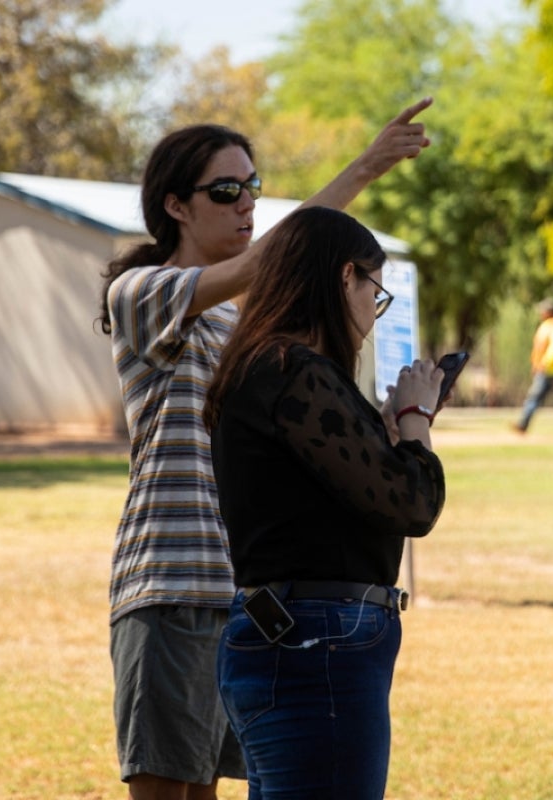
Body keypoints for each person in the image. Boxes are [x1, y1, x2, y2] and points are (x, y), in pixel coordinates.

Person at [97, 99, 432, 800]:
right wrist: (366, 166)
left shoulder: (248, 320)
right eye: (226, 190)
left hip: (254, 597)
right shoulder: (140, 293)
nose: (247, 202)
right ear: (175, 206)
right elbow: (281, 256)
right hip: (172, 583)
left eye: (253, 185)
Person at [202, 206, 447, 799]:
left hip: (284, 633)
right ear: (345, 278)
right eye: (374, 291)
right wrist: (415, 423)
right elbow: (414, 504)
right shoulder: (295, 371)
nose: (371, 313)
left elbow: (319, 494)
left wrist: (379, 434)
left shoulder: (261, 366)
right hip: (320, 643)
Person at [514, 297, 553, 436]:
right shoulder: (546, 325)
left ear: (550, 311)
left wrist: (545, 362)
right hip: (544, 370)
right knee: (534, 396)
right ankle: (523, 425)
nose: (540, 313)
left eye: (543, 310)